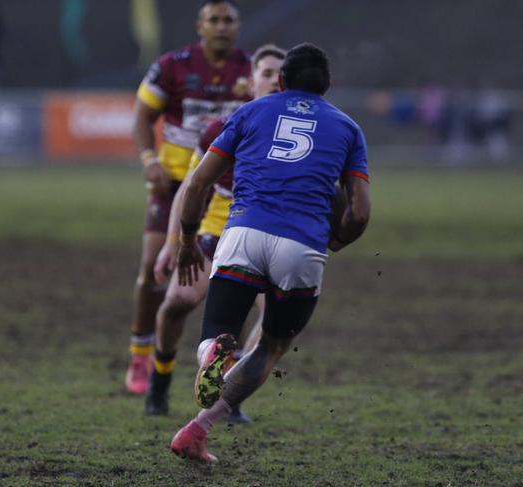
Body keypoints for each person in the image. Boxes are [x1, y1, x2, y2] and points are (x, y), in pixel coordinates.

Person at [168, 43, 371, 462]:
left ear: (280, 80)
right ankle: (198, 429)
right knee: (270, 348)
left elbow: (197, 184)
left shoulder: (251, 111)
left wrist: (187, 242)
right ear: (327, 85)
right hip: (302, 247)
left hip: (243, 232)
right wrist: (336, 242)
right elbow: (360, 212)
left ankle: (211, 354)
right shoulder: (349, 128)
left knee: (215, 335)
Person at [143, 44, 287, 420]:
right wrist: (173, 244)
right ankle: (159, 381)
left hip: (268, 242)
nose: (274, 80)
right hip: (214, 234)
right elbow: (192, 189)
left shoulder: (298, 138)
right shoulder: (223, 129)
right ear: (250, 81)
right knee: (177, 303)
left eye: (281, 74)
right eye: (266, 73)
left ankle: (230, 392)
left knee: (274, 320)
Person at [126, 0, 252, 395]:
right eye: (213, 19)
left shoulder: (252, 71)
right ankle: (140, 355)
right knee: (152, 271)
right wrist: (149, 160)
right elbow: (142, 117)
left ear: (237, 26)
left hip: (223, 188)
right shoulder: (172, 65)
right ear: (200, 25)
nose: (221, 26)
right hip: (174, 182)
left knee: (236, 280)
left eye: (228, 20)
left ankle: (225, 366)